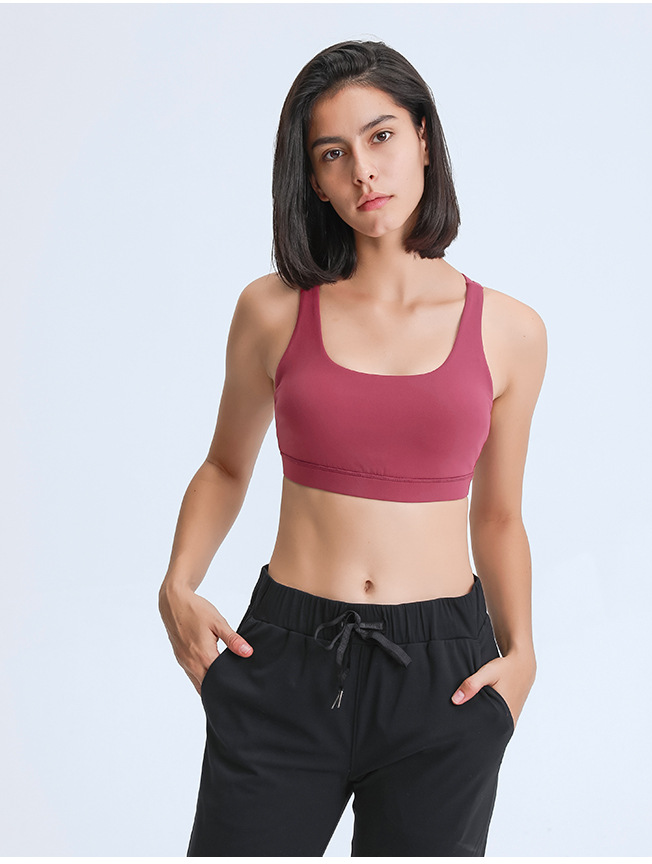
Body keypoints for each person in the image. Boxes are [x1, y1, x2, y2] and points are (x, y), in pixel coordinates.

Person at [158, 38, 547, 857]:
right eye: (333, 153)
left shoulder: (511, 331)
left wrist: (522, 657)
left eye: (381, 137)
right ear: (312, 178)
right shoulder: (272, 310)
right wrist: (178, 584)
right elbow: (225, 467)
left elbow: (500, 516)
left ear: (423, 139)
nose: (364, 171)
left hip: (445, 678)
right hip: (286, 659)